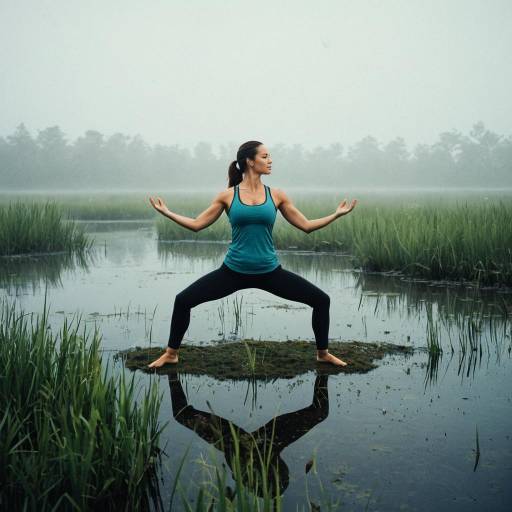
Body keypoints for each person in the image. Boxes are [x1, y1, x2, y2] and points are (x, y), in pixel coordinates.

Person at [147, 140, 357, 368]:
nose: (270, 161)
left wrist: (336, 215)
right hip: (233, 272)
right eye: (265, 157)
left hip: (270, 272)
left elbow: (305, 225)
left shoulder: (276, 195)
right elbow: (198, 224)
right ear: (249, 161)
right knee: (183, 300)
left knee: (321, 300)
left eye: (269, 157)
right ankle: (171, 353)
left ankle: (323, 353)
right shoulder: (227, 196)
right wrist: (167, 213)